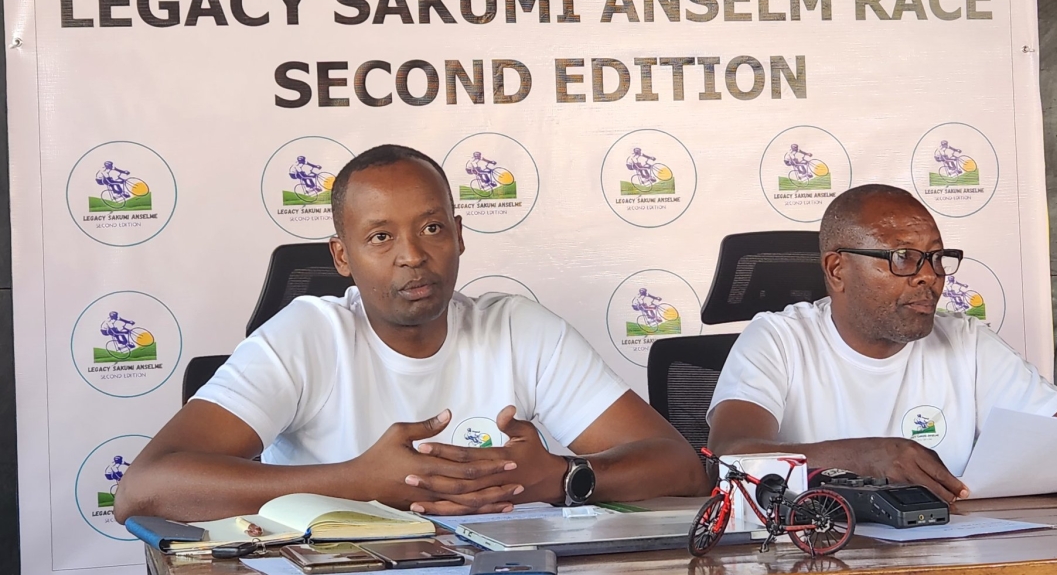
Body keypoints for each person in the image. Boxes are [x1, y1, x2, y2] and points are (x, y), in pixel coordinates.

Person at [114, 145, 707, 523]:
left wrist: (563, 477)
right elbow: (144, 488)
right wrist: (357, 483)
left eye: (431, 227)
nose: (413, 256)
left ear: (459, 234)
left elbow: (679, 465)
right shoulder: (307, 335)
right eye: (380, 238)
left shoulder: (518, 328)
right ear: (341, 256)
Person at [707, 184, 1057, 504]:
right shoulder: (779, 340)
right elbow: (728, 455)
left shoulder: (965, 341)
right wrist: (866, 456)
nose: (930, 276)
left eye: (937, 257)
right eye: (903, 258)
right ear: (838, 269)